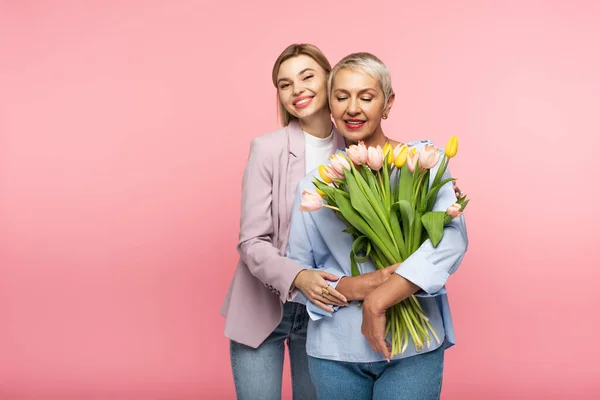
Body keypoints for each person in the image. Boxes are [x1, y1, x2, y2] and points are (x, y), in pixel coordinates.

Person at [286, 52, 468, 400]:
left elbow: (451, 240)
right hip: (335, 350)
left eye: (366, 97)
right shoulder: (316, 184)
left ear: (388, 103)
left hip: (414, 345)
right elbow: (298, 269)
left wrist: (379, 300)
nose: (353, 108)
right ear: (330, 106)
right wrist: (354, 287)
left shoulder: (424, 164)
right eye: (341, 97)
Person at [221, 44, 353, 400]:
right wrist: (298, 276)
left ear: (329, 77)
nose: (297, 90)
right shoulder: (267, 148)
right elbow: (251, 242)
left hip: (325, 313)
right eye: (285, 84)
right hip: (263, 308)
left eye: (307, 76)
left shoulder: (357, 150)